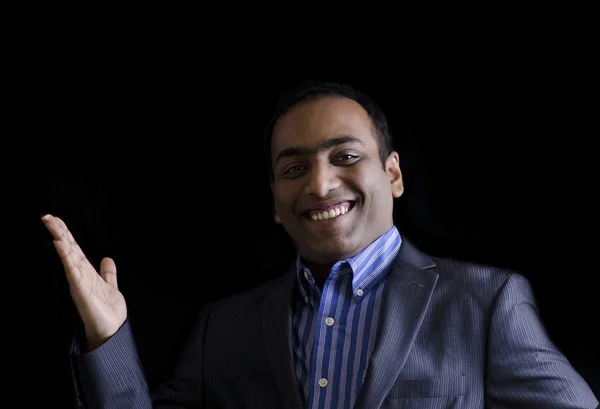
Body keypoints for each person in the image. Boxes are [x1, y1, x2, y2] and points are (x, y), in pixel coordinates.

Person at [43, 80, 599, 409]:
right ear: (275, 203)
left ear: (394, 174)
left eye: (345, 156)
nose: (320, 183)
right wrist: (108, 337)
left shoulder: (487, 304)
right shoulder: (224, 330)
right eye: (294, 167)